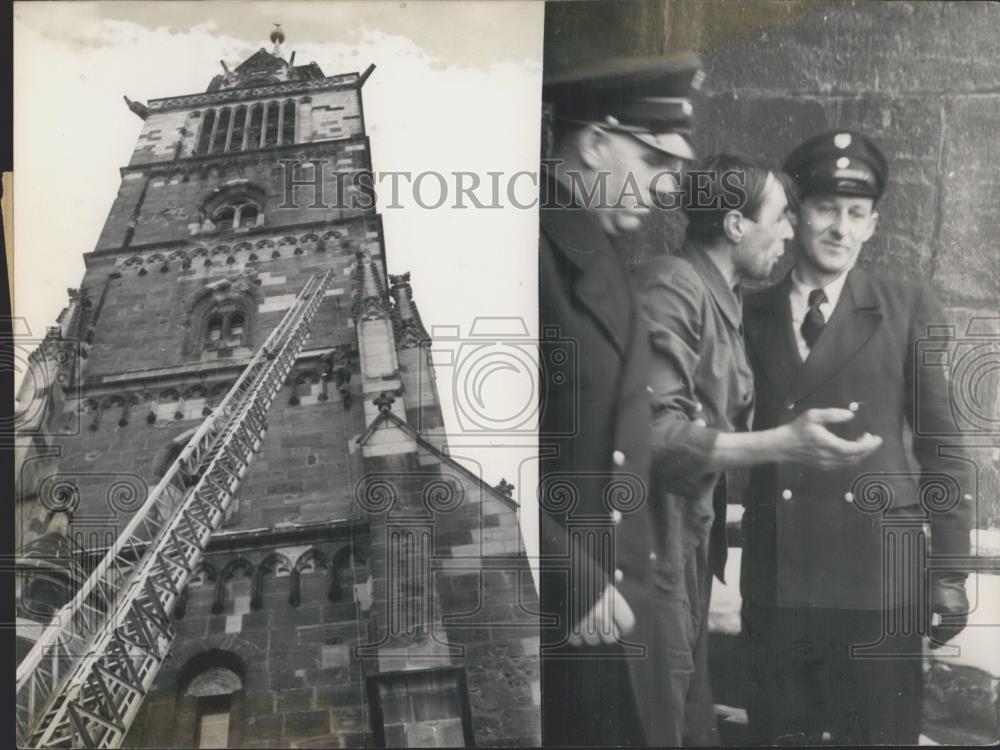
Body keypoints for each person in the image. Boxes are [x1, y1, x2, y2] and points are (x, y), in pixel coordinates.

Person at [633, 153, 883, 745]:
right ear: (735, 225)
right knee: (664, 725)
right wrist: (784, 443)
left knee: (693, 724)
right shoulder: (673, 284)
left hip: (688, 546)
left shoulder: (721, 296)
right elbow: (657, 437)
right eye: (781, 217)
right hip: (654, 545)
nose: (793, 232)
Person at [740, 130, 975, 744]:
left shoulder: (906, 307)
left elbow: (942, 445)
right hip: (779, 576)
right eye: (825, 209)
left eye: (856, 214)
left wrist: (949, 570)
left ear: (873, 224)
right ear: (795, 215)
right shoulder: (748, 311)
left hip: (878, 581)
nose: (840, 229)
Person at [537, 53, 702, 747]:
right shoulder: (532, 251)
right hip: (566, 614)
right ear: (595, 140)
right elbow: (474, 452)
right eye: (652, 160)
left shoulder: (596, 252)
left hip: (621, 607)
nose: (665, 188)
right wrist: (571, 581)